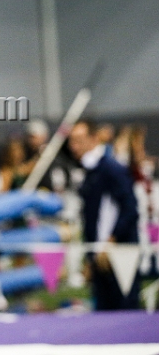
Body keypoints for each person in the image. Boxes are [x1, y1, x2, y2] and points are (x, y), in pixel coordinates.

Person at [68, 119, 140, 310]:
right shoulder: (88, 171)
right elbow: (92, 218)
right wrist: (91, 254)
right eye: (71, 141)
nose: (73, 146)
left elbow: (130, 209)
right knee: (103, 315)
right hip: (99, 253)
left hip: (119, 252)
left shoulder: (111, 169)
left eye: (78, 140)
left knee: (125, 312)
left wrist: (111, 239)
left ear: (93, 139)